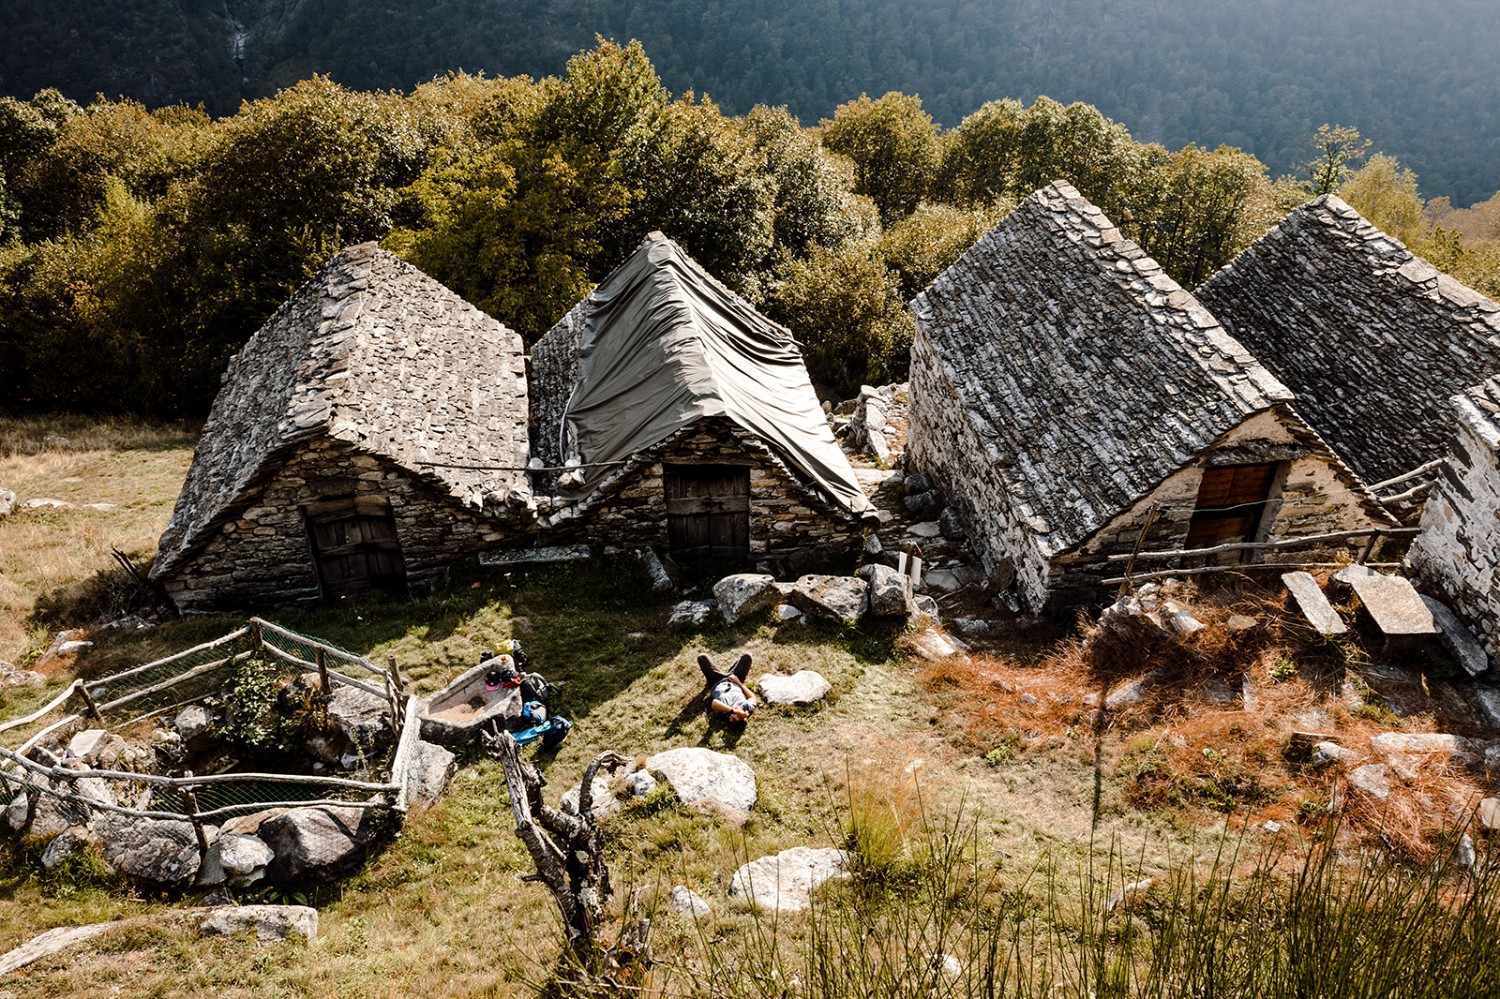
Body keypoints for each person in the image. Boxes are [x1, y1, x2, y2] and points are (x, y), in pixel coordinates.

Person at [698, 652, 756, 723]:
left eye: (732, 719)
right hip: (735, 678)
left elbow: (714, 703)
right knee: (747, 656)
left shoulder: (725, 714)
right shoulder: (746, 708)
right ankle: (732, 670)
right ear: (745, 716)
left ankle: (728, 670)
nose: (732, 717)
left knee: (702, 657)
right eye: (736, 716)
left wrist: (734, 711)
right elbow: (752, 697)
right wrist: (739, 683)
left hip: (716, 681)